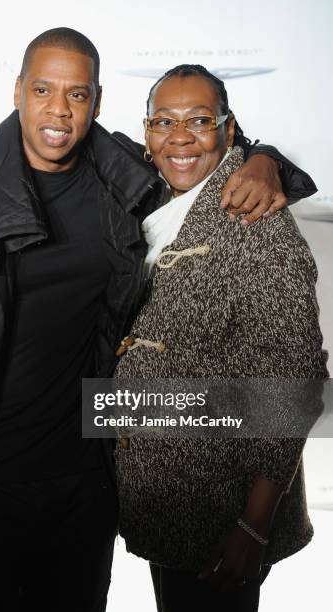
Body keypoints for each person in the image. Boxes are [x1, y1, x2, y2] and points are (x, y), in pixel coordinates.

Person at [0, 27, 317, 612]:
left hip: (86, 496)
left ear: (97, 102)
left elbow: (196, 146)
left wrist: (264, 161)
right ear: (16, 92)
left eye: (77, 95)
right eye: (42, 90)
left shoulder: (121, 178)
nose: (59, 109)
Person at [113, 64, 328, 612]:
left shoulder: (259, 219)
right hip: (164, 501)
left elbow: (293, 386)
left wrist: (253, 528)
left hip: (224, 512)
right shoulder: (148, 192)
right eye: (164, 121)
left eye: (199, 121)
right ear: (145, 131)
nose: (180, 137)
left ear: (229, 130)